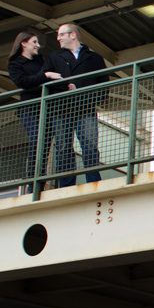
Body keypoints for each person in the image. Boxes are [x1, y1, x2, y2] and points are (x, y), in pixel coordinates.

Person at [45, 23, 107, 186]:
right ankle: (66, 184)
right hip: (61, 109)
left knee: (90, 145)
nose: (58, 38)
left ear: (73, 35)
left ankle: (93, 181)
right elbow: (45, 81)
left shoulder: (94, 58)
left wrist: (86, 94)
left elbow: (103, 84)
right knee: (63, 147)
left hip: (85, 108)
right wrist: (64, 86)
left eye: (61, 35)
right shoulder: (54, 57)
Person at [7, 31, 49, 190]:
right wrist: (45, 76)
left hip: (47, 107)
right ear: (24, 43)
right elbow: (22, 82)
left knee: (45, 143)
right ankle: (34, 182)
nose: (38, 45)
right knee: (37, 140)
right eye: (35, 42)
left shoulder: (41, 60)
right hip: (30, 108)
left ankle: (40, 181)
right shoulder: (15, 64)